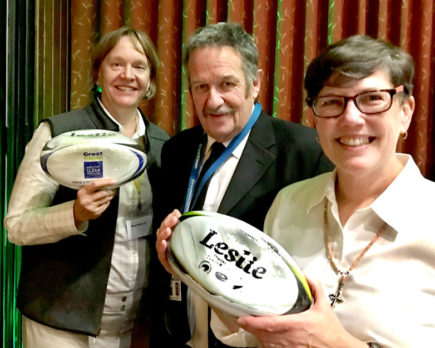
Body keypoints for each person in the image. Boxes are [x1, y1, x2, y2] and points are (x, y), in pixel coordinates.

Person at [230, 35, 435, 347]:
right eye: (332, 102)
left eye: (372, 98)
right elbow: (261, 332)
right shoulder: (288, 204)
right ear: (314, 119)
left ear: (405, 111)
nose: (351, 118)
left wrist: (334, 342)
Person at [154, 22, 333, 348]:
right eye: (200, 87)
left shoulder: (305, 151)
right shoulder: (176, 150)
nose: (213, 100)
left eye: (227, 84)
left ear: (256, 83)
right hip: (177, 333)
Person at [4, 26, 169, 348]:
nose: (127, 75)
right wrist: (75, 214)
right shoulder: (59, 134)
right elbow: (16, 227)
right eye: (116, 64)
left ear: (150, 80)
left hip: (132, 324)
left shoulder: (162, 144)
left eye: (139, 66)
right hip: (60, 324)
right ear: (98, 73)